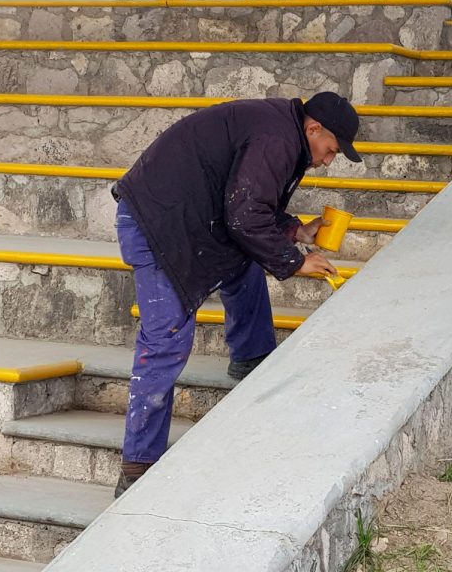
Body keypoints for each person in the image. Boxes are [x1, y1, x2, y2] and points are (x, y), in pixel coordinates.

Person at [111, 91, 362, 498]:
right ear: (313, 128)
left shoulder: (281, 131)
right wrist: (296, 262)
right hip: (157, 224)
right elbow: (244, 215)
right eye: (330, 150)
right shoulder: (278, 138)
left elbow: (246, 201)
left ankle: (251, 358)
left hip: (188, 216)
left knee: (243, 262)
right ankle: (138, 468)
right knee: (165, 343)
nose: (327, 162)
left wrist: (295, 231)